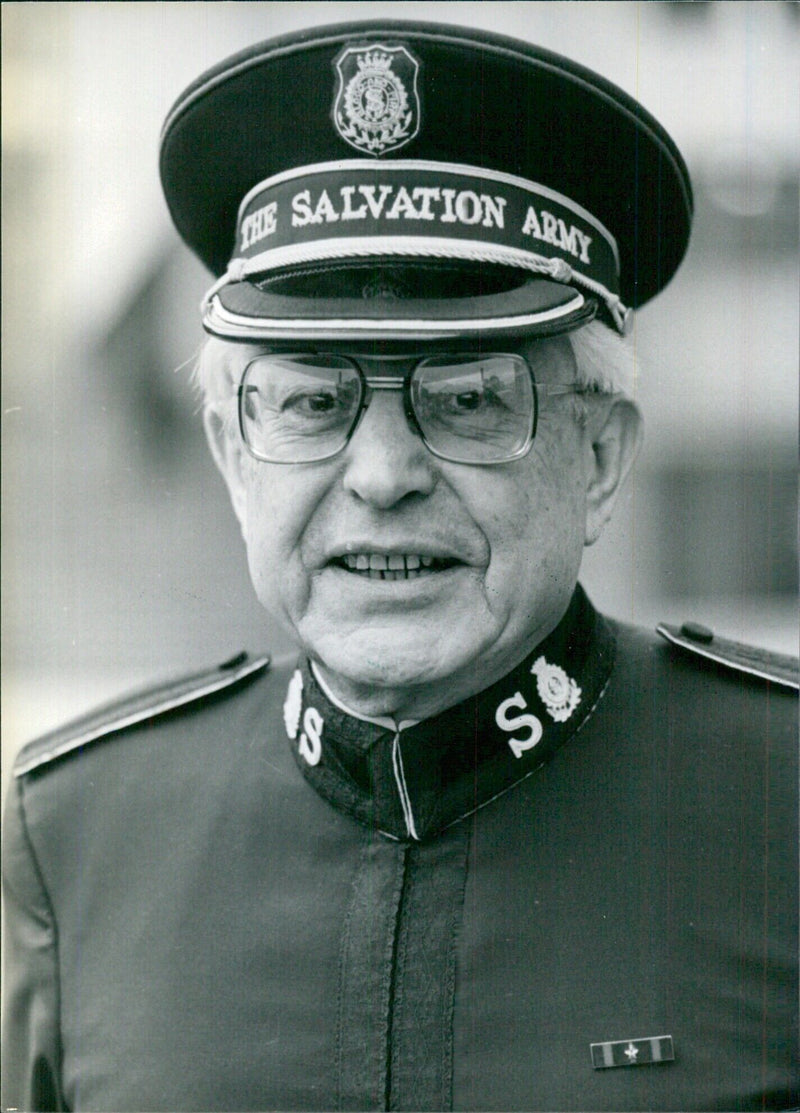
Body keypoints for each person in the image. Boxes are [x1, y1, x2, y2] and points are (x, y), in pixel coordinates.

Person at [2, 19, 797, 1113]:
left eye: (468, 399)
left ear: (601, 457)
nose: (380, 476)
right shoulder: (82, 839)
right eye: (312, 402)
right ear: (235, 459)